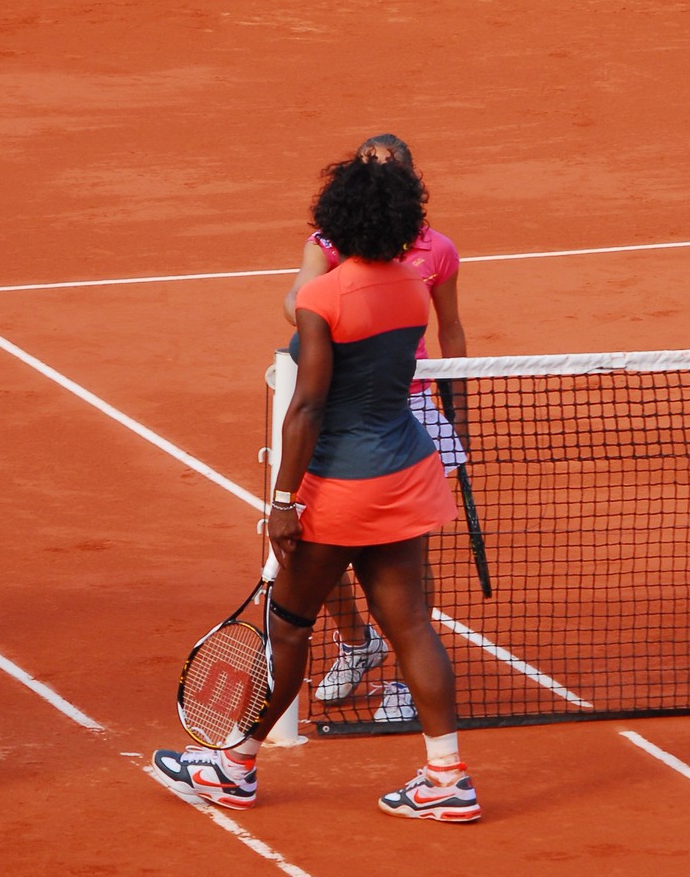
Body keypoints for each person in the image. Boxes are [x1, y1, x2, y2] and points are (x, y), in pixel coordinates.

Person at [154, 152, 480, 823]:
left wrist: (281, 502)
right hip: (407, 474)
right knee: (414, 625)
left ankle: (233, 768)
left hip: (342, 488)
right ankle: (447, 778)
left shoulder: (321, 299)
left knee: (289, 627)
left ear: (338, 221)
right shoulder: (411, 289)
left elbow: (306, 408)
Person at [282, 133, 469, 723]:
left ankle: (239, 762)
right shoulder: (345, 259)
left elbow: (452, 331)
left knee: (390, 573)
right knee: (349, 569)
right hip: (364, 424)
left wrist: (456, 410)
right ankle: (360, 644)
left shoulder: (435, 256)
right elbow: (298, 301)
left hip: (394, 418)